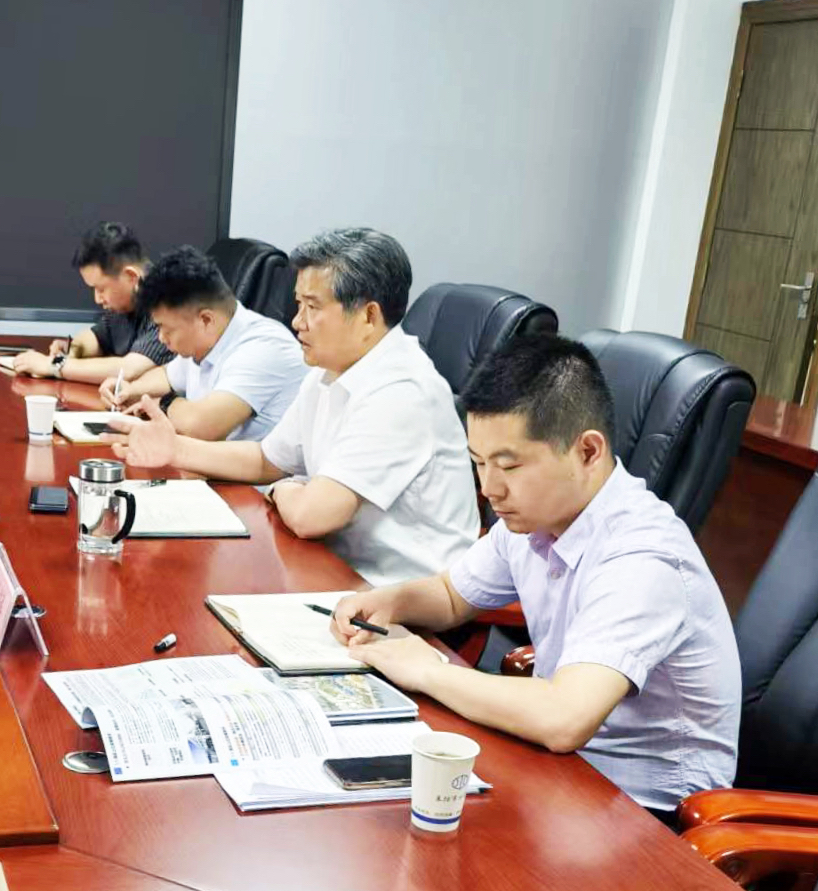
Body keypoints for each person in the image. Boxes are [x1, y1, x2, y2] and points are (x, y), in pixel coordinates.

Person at [329, 333, 740, 818]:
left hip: (648, 812)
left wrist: (428, 671)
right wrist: (390, 602)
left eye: (509, 465)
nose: (489, 489)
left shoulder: (643, 557)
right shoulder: (531, 519)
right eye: (478, 463)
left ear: (588, 451)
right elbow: (452, 595)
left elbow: (564, 718)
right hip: (558, 770)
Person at [108, 227, 477, 585]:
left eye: (312, 307)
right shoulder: (327, 371)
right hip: (334, 570)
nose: (297, 321)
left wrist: (283, 488)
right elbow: (267, 461)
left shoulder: (401, 391)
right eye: (298, 304)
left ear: (368, 316)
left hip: (396, 596)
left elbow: (310, 516)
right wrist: (175, 449)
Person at [98, 245, 305, 441]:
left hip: (254, 468)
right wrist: (129, 391)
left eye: (166, 328)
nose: (161, 337)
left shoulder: (264, 347)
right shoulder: (207, 340)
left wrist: (162, 403)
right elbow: (167, 376)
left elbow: (202, 426)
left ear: (205, 320)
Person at [9, 222, 172, 384]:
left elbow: (128, 370)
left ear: (131, 277)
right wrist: (72, 349)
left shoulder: (169, 301)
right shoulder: (124, 303)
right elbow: (97, 338)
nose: (97, 299)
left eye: (101, 289)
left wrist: (54, 365)